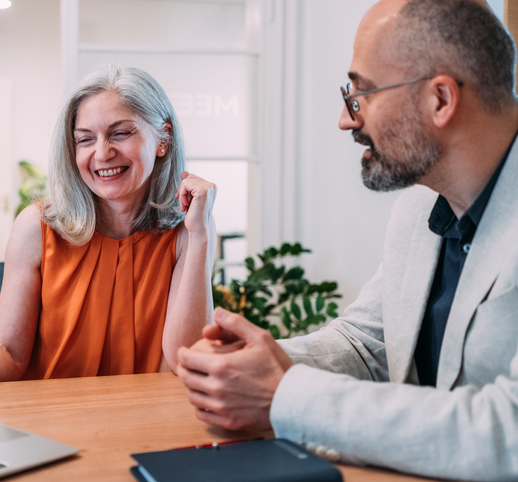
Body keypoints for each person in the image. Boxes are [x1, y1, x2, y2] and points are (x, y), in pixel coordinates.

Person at [177, 0, 518, 480]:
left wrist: (284, 393)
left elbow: (508, 431)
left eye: (362, 94)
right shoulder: (418, 209)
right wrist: (255, 365)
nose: (345, 118)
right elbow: (366, 345)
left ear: (440, 99)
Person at [0, 65, 217, 413]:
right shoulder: (37, 227)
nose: (102, 153)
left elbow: (186, 362)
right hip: (48, 421)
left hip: (141, 420)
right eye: (85, 139)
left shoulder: (189, 231)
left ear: (163, 139)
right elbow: (9, 356)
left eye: (120, 133)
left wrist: (199, 236)